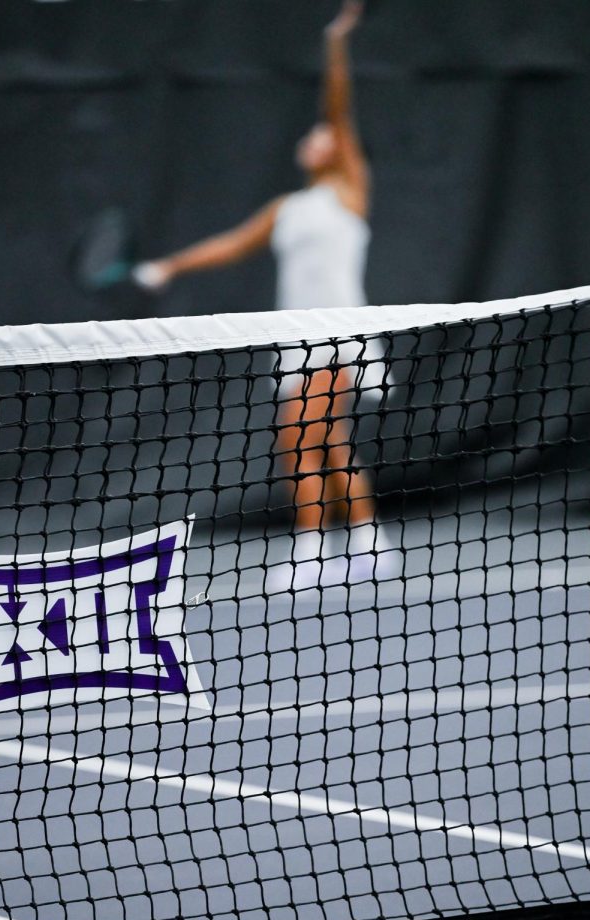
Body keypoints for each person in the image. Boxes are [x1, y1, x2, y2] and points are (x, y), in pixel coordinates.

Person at [135, 0, 390, 590]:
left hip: (340, 333)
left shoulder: (349, 190)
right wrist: (171, 264)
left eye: (324, 134)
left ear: (338, 150)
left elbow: (338, 105)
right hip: (295, 336)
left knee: (301, 435)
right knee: (326, 439)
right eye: (312, 134)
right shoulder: (288, 208)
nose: (315, 136)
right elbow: (231, 245)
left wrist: (335, 42)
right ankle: (369, 541)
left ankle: (313, 553)